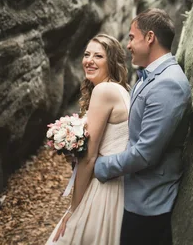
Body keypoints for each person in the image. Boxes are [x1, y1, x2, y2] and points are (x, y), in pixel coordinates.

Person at [94, 8, 192, 245]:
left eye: (131, 37)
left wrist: (100, 165)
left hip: (148, 203)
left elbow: (145, 154)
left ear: (149, 38)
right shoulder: (152, 75)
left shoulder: (169, 84)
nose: (127, 45)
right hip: (133, 191)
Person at [46, 34, 130, 245]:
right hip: (118, 185)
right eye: (86, 54)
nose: (89, 60)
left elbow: (90, 158)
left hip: (103, 187)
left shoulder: (104, 90)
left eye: (98, 56)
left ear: (111, 62)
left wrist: (74, 209)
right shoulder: (121, 89)